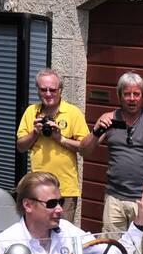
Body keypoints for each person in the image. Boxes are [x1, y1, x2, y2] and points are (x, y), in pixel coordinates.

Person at [0, 171, 143, 254]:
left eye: (60, 201)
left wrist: (139, 223)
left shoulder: (67, 231)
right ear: (27, 205)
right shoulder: (6, 243)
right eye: (51, 203)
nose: (59, 209)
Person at [80, 70, 143, 254]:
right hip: (114, 199)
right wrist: (97, 131)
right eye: (127, 94)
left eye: (136, 94)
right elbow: (84, 151)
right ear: (120, 95)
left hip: (142, 200)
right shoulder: (109, 119)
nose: (131, 99)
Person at [16, 69, 90, 226]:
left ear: (60, 90)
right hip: (37, 189)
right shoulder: (31, 112)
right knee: (38, 233)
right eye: (43, 89)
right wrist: (34, 133)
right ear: (38, 90)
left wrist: (60, 138)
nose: (48, 94)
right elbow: (21, 147)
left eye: (52, 90)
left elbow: (85, 148)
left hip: (65, 189)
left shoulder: (73, 113)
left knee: (62, 235)